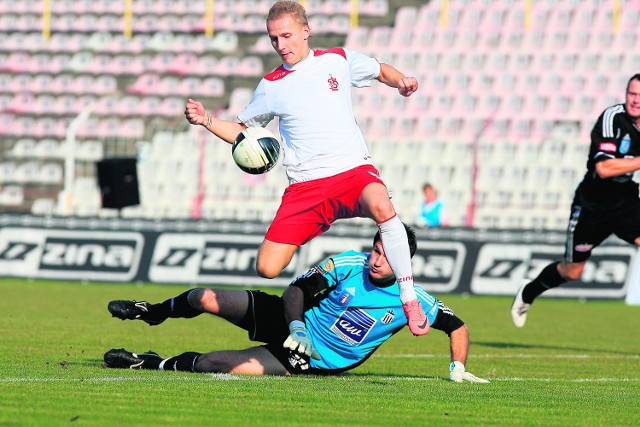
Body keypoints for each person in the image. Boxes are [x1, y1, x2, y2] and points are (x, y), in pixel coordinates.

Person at [184, 0, 426, 334]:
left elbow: (380, 69)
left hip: (352, 172)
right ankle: (302, 301)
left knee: (382, 204)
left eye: (286, 36)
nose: (280, 45)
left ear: (306, 31)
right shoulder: (270, 85)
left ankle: (408, 297)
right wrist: (207, 120)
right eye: (273, 39)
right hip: (306, 188)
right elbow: (245, 132)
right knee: (267, 268)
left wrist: (401, 80)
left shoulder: (336, 60)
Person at [104, 225, 488, 383]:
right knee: (202, 297)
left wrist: (457, 367)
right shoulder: (349, 263)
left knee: (212, 365)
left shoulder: (413, 300)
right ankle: (151, 313)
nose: (375, 258)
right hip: (293, 323)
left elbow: (457, 325)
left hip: (309, 359)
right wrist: (297, 327)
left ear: (404, 262)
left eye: (385, 255)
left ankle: (148, 361)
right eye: (375, 249)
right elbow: (296, 291)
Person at [511, 74, 640, 328]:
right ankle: (529, 292)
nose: (635, 101)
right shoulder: (612, 118)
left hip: (625, 200)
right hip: (594, 204)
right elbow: (603, 168)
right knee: (573, 271)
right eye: (632, 94)